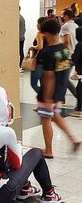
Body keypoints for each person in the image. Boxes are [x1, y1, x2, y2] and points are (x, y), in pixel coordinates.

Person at [0, 83, 61, 203]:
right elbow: (17, 164)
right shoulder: (7, 132)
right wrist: (18, 147)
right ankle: (49, 194)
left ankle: (25, 188)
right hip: (0, 194)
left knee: (2, 158)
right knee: (36, 153)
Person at [37, 19, 81, 158]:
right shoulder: (63, 49)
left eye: (44, 34)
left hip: (49, 93)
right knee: (55, 117)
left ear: (48, 33)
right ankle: (73, 139)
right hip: (60, 90)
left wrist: (48, 97)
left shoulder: (48, 52)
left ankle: (48, 150)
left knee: (45, 120)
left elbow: (49, 76)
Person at [60, 8, 78, 100]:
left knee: (64, 79)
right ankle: (61, 98)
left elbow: (66, 42)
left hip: (67, 56)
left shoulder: (65, 27)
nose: (61, 17)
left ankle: (78, 97)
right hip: (74, 54)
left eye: (62, 15)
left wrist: (60, 54)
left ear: (66, 16)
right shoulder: (75, 25)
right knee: (62, 77)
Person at [28, 17, 47, 94]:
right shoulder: (48, 34)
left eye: (38, 23)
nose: (37, 25)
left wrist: (32, 47)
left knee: (33, 83)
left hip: (38, 62)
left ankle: (45, 99)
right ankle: (45, 101)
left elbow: (40, 46)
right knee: (43, 84)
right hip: (46, 61)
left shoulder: (39, 34)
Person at [71, 26, 82, 117]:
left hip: (81, 70)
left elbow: (75, 58)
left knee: (79, 89)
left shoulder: (79, 44)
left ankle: (79, 108)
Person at [19, 6, 26, 72]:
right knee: (21, 52)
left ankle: (21, 66)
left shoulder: (18, 18)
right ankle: (21, 66)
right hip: (22, 37)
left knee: (20, 52)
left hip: (18, 38)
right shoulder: (22, 18)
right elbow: (24, 30)